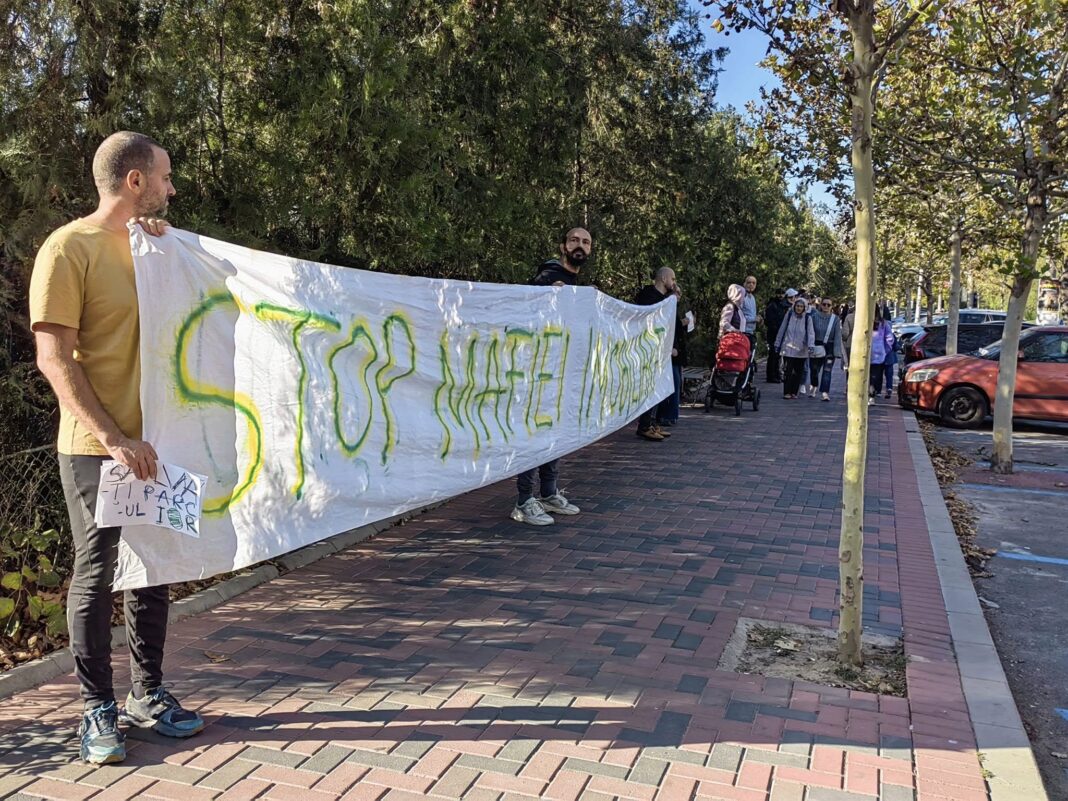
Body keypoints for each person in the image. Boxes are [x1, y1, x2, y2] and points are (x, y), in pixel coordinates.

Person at [30, 131, 205, 764]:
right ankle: (96, 707)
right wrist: (112, 439)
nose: (171, 187)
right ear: (135, 181)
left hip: (157, 443)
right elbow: (53, 357)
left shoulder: (153, 248)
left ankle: (148, 694)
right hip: (95, 446)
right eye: (164, 175)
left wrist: (163, 250)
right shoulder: (67, 249)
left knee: (153, 567)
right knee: (97, 573)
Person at [510, 228, 590, 525]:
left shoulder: (576, 284)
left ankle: (548, 493)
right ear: (563, 247)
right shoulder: (548, 277)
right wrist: (546, 294)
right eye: (574, 240)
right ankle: (523, 501)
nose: (579, 245)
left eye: (585, 242)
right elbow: (528, 305)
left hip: (561, 372)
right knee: (534, 434)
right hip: (538, 372)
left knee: (554, 435)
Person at [634, 267, 677, 441]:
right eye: (672, 279)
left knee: (656, 388)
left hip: (659, 351)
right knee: (648, 388)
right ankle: (644, 426)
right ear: (664, 278)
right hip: (647, 350)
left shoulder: (664, 300)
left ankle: (650, 422)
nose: (674, 283)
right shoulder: (648, 297)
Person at [657, 284, 688, 427]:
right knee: (672, 383)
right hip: (670, 351)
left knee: (676, 382)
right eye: (676, 293)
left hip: (676, 352)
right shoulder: (666, 309)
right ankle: (665, 415)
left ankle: (670, 415)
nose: (678, 296)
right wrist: (672, 347)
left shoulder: (674, 309)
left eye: (680, 294)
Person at [775, 297, 815, 399]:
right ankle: (786, 392)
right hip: (788, 348)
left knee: (798, 372)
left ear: (804, 308)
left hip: (801, 349)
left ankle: (794, 392)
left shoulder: (807, 318)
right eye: (797, 306)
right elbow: (782, 329)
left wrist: (811, 346)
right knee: (788, 371)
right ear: (794, 306)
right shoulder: (789, 316)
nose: (799, 308)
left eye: (801, 306)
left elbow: (810, 333)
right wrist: (777, 343)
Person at [808, 298, 846, 400]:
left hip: (829, 346)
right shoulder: (814, 317)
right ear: (820, 305)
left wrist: (837, 351)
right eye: (824, 304)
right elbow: (810, 332)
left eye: (828, 305)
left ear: (831, 306)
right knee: (814, 369)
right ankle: (814, 385)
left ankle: (825, 392)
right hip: (816, 345)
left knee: (827, 370)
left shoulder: (835, 319)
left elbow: (838, 335)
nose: (826, 306)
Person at [764, 288, 792, 383]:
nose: (780, 295)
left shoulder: (784, 305)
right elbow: (769, 321)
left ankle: (777, 375)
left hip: (781, 333)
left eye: (782, 294)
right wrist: (776, 328)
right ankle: (771, 376)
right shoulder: (772, 305)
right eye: (779, 293)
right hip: (773, 333)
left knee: (778, 356)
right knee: (773, 355)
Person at [868, 312, 896, 404]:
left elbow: (889, 338)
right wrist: (884, 350)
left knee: (869, 375)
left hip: (866, 353)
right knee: (874, 376)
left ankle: (869, 394)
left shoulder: (863, 320)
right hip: (878, 354)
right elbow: (889, 338)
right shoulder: (883, 323)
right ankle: (871, 396)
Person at [741, 275, 759, 349]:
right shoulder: (741, 297)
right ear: (744, 284)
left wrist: (758, 319)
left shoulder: (752, 297)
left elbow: (750, 314)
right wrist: (754, 319)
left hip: (751, 332)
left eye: (753, 283)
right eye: (749, 282)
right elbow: (739, 316)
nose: (751, 285)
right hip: (742, 332)